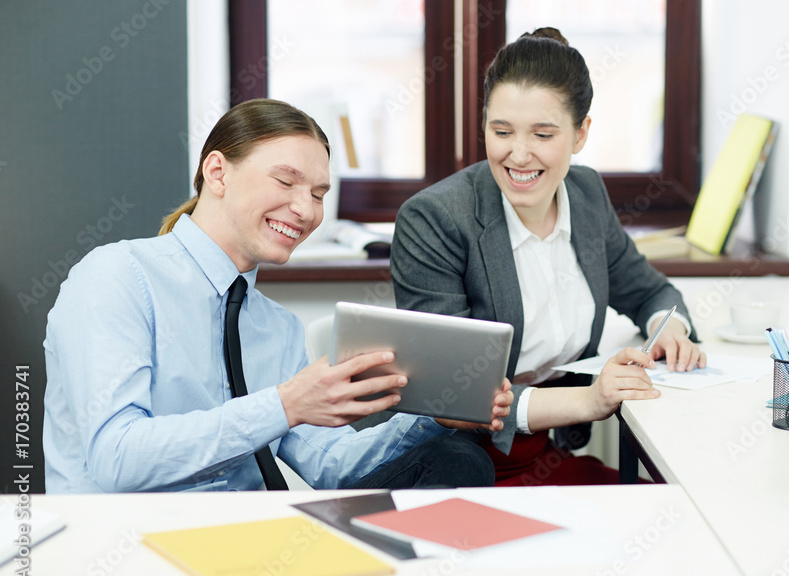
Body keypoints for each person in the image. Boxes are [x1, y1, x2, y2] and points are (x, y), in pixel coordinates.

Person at [43, 98, 512, 493]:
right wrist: (284, 405)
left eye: (319, 193)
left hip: (251, 543)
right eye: (286, 182)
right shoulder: (117, 277)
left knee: (456, 459)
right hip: (134, 544)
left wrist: (439, 416)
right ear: (217, 172)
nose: (306, 210)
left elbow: (333, 464)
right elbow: (117, 459)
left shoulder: (276, 327)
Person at [391, 28, 706, 486]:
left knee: (670, 507)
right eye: (501, 131)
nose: (518, 155)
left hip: (546, 455)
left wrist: (669, 330)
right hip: (458, 465)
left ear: (580, 135)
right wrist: (591, 401)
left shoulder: (587, 194)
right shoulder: (436, 219)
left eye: (542, 133)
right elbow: (455, 394)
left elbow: (650, 290)